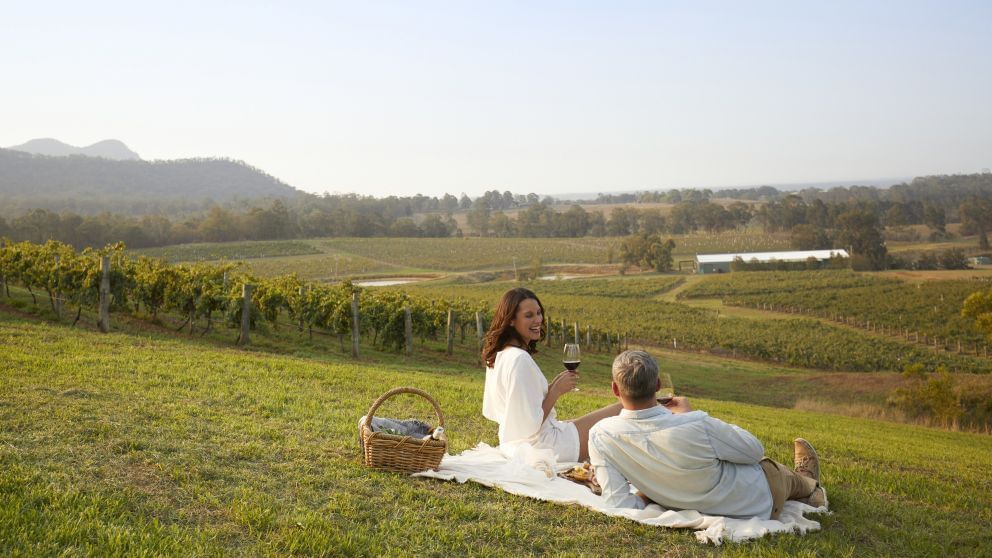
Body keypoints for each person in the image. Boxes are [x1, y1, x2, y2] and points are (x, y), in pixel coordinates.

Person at [588, 350, 827, 520]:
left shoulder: (601, 435)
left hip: (701, 500)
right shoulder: (695, 423)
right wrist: (687, 415)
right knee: (776, 471)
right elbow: (754, 451)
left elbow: (619, 503)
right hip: (756, 501)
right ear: (658, 384)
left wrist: (654, 490)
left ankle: (803, 483)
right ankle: (809, 485)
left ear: (615, 389)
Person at [482, 287, 622, 463]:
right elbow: (529, 425)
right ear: (511, 320)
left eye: (539, 313)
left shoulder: (499, 356)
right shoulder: (520, 359)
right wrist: (556, 391)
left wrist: (550, 387)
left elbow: (515, 407)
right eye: (529, 315)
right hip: (544, 447)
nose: (538, 320)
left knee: (609, 415)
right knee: (624, 409)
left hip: (514, 443)